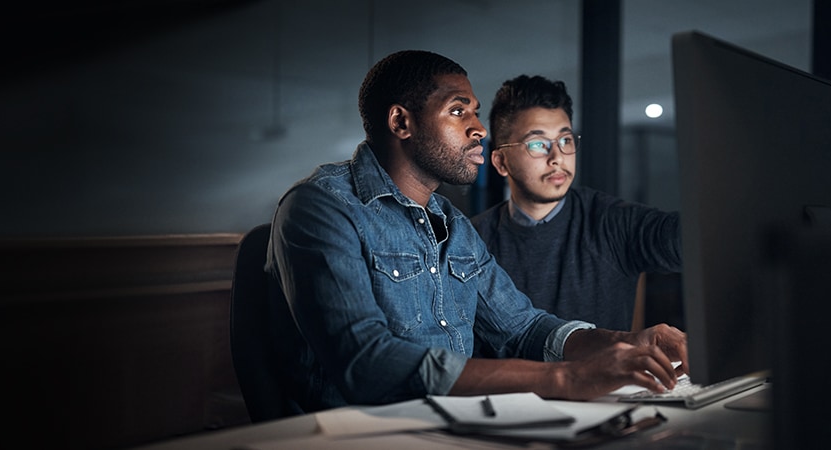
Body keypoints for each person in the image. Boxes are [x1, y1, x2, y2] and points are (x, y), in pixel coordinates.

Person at [264, 50, 687, 414]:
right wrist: (566, 378)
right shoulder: (321, 207)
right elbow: (368, 361)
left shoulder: (454, 225)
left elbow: (523, 328)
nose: (479, 129)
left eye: (475, 111)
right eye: (458, 110)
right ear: (401, 122)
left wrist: (627, 343)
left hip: (456, 426)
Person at [472, 75, 682, 332]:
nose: (557, 157)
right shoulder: (473, 242)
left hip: (605, 373)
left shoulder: (610, 222)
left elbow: (682, 240)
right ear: (501, 162)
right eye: (538, 144)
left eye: (565, 140)